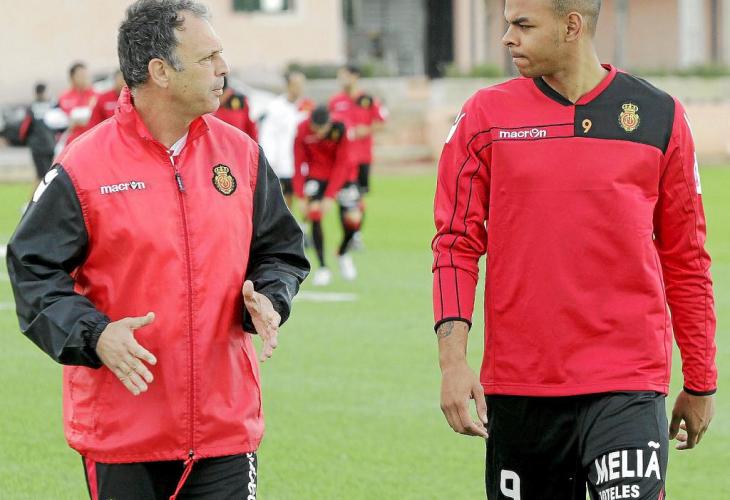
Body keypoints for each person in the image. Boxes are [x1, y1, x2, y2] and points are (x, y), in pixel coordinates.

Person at [7, 1, 309, 499]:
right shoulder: (84, 166)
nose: (223, 68)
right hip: (123, 436)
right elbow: (32, 270)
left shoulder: (242, 156)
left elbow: (282, 251)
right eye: (207, 57)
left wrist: (271, 297)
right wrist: (95, 334)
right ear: (160, 71)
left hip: (224, 430)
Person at [432, 1, 717, 499]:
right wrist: (452, 363)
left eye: (522, 25)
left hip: (627, 381)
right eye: (507, 23)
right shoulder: (485, 115)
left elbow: (686, 259)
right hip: (521, 386)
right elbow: (456, 244)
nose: (507, 38)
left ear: (571, 26)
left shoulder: (659, 115)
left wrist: (700, 380)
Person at [294, 105, 360, 285]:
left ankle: (342, 252)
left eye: (322, 129)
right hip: (317, 175)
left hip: (343, 175)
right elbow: (298, 162)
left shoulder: (341, 128)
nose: (319, 133)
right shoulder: (302, 129)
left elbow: (342, 162)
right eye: (316, 128)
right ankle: (323, 267)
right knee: (314, 213)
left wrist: (330, 195)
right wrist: (300, 195)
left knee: (354, 219)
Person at [328, 64, 387, 247]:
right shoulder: (335, 101)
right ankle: (349, 235)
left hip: (362, 157)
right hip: (342, 159)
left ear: (355, 77)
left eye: (344, 76)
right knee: (344, 196)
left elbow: (381, 123)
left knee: (359, 197)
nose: (341, 80)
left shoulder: (368, 100)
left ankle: (356, 234)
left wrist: (366, 129)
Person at [258, 69, 312, 209]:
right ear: (288, 85)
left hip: (303, 162)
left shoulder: (307, 106)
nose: (299, 88)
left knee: (308, 199)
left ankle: (305, 222)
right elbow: (268, 135)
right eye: (296, 85)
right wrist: (270, 159)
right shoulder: (275, 107)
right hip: (282, 162)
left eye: (302, 85)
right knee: (284, 198)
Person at [19, 82, 57, 182]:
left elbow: (24, 128)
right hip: (48, 145)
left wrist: (25, 140)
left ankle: (37, 192)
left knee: (41, 175)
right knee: (47, 174)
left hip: (38, 146)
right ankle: (39, 192)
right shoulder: (51, 106)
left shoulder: (32, 107)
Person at [57, 61, 98, 152]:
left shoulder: (95, 95)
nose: (84, 78)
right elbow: (68, 119)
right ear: (72, 78)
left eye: (86, 75)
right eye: (81, 75)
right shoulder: (64, 97)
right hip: (72, 143)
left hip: (92, 141)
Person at [213, 76, 258, 140]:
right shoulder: (209, 106)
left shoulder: (239, 101)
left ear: (227, 91)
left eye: (219, 96)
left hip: (239, 142)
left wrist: (255, 144)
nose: (218, 100)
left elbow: (250, 126)